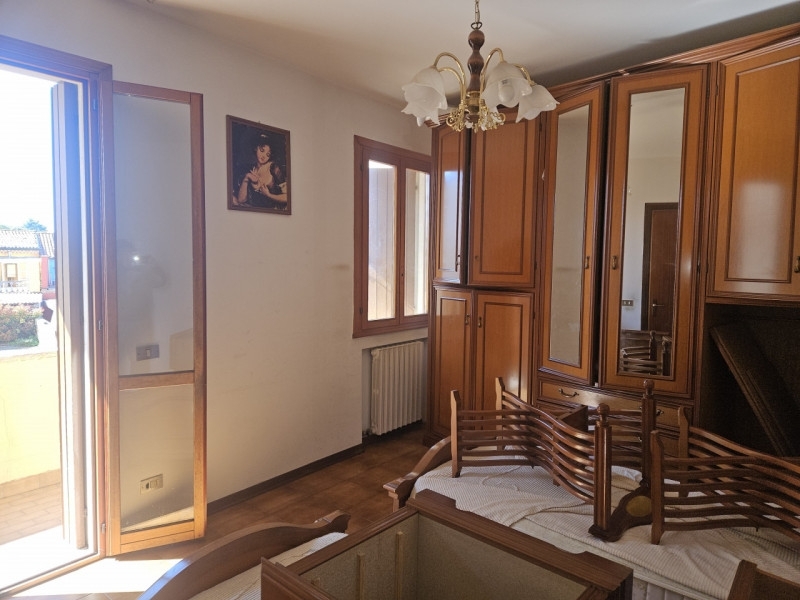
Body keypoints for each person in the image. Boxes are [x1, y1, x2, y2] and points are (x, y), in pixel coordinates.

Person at [233, 135, 288, 210]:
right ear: (256, 148)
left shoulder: (273, 168)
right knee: (233, 199)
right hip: (255, 211)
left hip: (273, 211)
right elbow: (241, 200)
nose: (263, 156)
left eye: (268, 154)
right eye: (262, 150)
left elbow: (287, 198)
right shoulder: (250, 169)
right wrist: (247, 177)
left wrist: (268, 195)